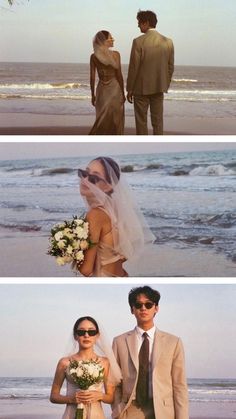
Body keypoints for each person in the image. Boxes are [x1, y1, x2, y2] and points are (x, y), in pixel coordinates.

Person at [112, 286, 189, 419]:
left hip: (163, 411)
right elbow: (114, 382)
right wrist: (117, 408)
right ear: (132, 309)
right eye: (138, 305)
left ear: (156, 308)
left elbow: (179, 385)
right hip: (130, 409)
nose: (143, 308)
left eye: (148, 304)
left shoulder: (173, 342)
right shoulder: (119, 342)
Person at [76, 156, 154, 277]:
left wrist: (69, 249)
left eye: (93, 178)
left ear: (108, 186)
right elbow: (125, 252)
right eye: (84, 173)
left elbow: (86, 270)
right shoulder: (116, 208)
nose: (85, 180)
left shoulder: (96, 215)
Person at [50, 316, 122, 419]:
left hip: (96, 415)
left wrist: (100, 396)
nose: (86, 335)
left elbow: (111, 397)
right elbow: (53, 396)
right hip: (71, 415)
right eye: (81, 332)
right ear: (75, 336)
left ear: (97, 336)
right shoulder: (64, 362)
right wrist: (71, 399)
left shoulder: (105, 362)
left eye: (91, 332)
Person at [127, 10, 174, 135]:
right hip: (159, 87)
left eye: (139, 23)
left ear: (146, 23)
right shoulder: (168, 42)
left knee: (141, 122)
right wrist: (165, 84)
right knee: (158, 121)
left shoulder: (138, 41)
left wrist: (129, 89)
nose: (138, 25)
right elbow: (170, 67)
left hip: (140, 88)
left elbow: (133, 68)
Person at [89, 30, 125, 135]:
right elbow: (119, 75)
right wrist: (123, 92)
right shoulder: (116, 55)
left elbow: (92, 77)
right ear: (104, 41)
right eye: (110, 38)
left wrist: (93, 94)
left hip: (102, 91)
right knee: (115, 119)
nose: (113, 39)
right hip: (115, 89)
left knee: (101, 119)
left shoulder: (94, 56)